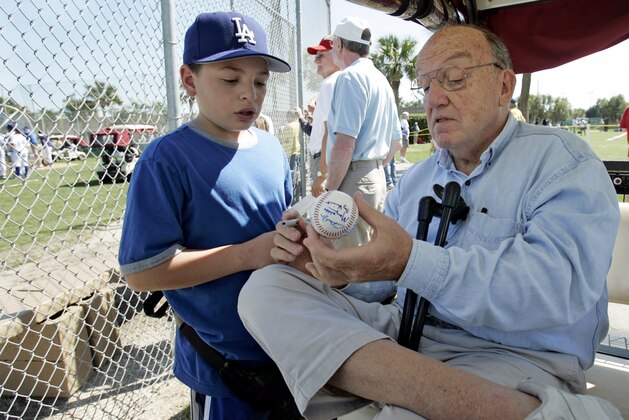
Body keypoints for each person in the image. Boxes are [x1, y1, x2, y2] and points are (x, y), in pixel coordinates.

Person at [238, 24, 622, 419]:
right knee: (266, 287)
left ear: (504, 87)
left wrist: (410, 262)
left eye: (454, 79)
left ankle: (390, 390)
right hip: (409, 333)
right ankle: (472, 402)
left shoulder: (563, 163)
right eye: (425, 86)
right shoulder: (416, 181)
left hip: (517, 353)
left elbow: (557, 291)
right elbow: (384, 282)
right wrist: (335, 270)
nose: (434, 98)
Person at [117, 11, 292, 420]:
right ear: (190, 81)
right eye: (230, 79)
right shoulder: (167, 159)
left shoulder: (270, 148)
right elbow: (142, 273)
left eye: (260, 81)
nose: (249, 94)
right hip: (226, 365)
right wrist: (248, 254)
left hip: (286, 343)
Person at [325, 17, 402, 244]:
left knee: (346, 257)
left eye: (332, 45)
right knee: (366, 252)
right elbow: (396, 142)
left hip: (353, 176)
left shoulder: (350, 77)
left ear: (339, 44)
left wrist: (330, 190)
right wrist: (372, 168)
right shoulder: (381, 79)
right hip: (375, 176)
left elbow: (345, 143)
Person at [302, 35, 341, 197]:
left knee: (320, 217)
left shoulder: (331, 83)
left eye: (321, 55)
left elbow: (329, 132)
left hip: (324, 161)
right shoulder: (343, 80)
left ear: (336, 54)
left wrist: (321, 175)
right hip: (330, 160)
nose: (316, 61)